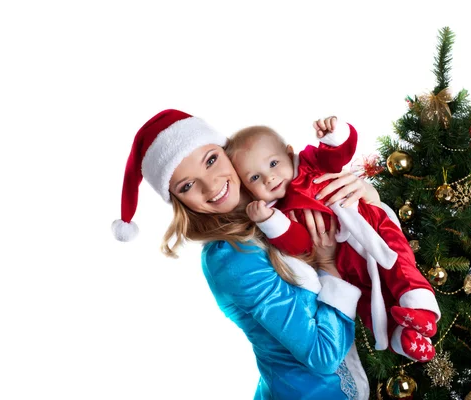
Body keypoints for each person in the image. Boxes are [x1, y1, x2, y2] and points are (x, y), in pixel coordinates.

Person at [111, 109, 383, 399]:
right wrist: (328, 264)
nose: (211, 184)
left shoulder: (275, 192)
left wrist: (365, 195)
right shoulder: (232, 258)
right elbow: (323, 354)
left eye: (211, 160)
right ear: (178, 200)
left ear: (227, 150)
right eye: (187, 185)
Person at [225, 116, 441, 361]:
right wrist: (269, 222)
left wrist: (335, 135)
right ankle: (403, 338)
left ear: (289, 153)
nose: (269, 178)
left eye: (273, 163)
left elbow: (338, 156)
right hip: (343, 262)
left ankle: (420, 308)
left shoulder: (309, 164)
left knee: (398, 265)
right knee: (367, 301)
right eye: (255, 178)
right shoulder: (278, 213)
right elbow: (300, 244)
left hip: (370, 228)